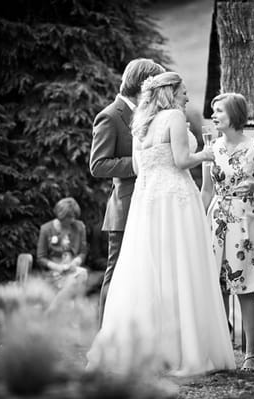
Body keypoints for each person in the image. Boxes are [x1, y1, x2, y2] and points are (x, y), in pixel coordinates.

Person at [87, 72, 235, 377]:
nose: (187, 98)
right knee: (182, 269)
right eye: (183, 91)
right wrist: (207, 153)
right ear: (170, 93)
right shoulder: (173, 117)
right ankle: (183, 349)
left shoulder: (140, 121)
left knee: (148, 274)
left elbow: (140, 168)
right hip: (176, 200)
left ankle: (144, 350)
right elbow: (181, 160)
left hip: (148, 202)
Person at [90, 58, 165, 326]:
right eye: (154, 85)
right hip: (124, 208)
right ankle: (103, 337)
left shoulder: (147, 114)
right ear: (143, 84)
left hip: (149, 204)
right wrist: (140, 162)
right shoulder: (110, 115)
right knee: (117, 272)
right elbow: (97, 165)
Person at [201, 93, 254, 372]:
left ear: (234, 114)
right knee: (215, 288)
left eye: (219, 111)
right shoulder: (210, 148)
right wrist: (199, 221)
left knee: (245, 287)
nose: (214, 116)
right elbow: (207, 190)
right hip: (216, 218)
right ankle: (216, 349)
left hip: (245, 221)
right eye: (213, 111)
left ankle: (251, 353)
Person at [36, 197, 89, 310]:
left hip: (73, 270)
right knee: (79, 278)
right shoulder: (46, 229)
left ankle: (51, 312)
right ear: (61, 215)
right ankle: (72, 313)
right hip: (54, 273)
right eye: (69, 216)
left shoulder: (80, 227)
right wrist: (58, 267)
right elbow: (41, 258)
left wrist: (76, 261)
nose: (72, 219)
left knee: (81, 274)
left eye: (74, 216)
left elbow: (83, 252)